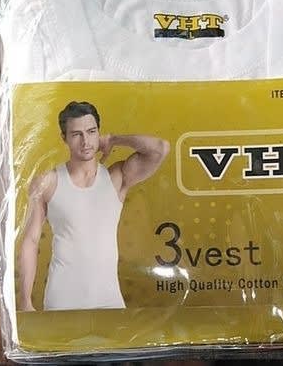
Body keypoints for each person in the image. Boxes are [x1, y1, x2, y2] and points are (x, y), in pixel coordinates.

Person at [18, 101, 170, 311]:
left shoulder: (116, 178)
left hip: (109, 300)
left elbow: (161, 148)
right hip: (62, 300)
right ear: (64, 138)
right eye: (76, 134)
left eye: (91, 132)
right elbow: (31, 240)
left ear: (99, 133)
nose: (85, 141)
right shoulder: (47, 182)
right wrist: (25, 300)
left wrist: (114, 139)